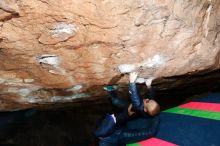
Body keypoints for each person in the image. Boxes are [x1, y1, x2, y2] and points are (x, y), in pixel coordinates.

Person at [95, 72, 160, 146]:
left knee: (115, 101)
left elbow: (135, 98)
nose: (147, 99)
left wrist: (132, 82)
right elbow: (151, 96)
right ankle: (112, 91)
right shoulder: (147, 104)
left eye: (148, 101)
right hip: (130, 108)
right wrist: (149, 86)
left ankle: (112, 91)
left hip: (129, 112)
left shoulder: (139, 106)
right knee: (115, 102)